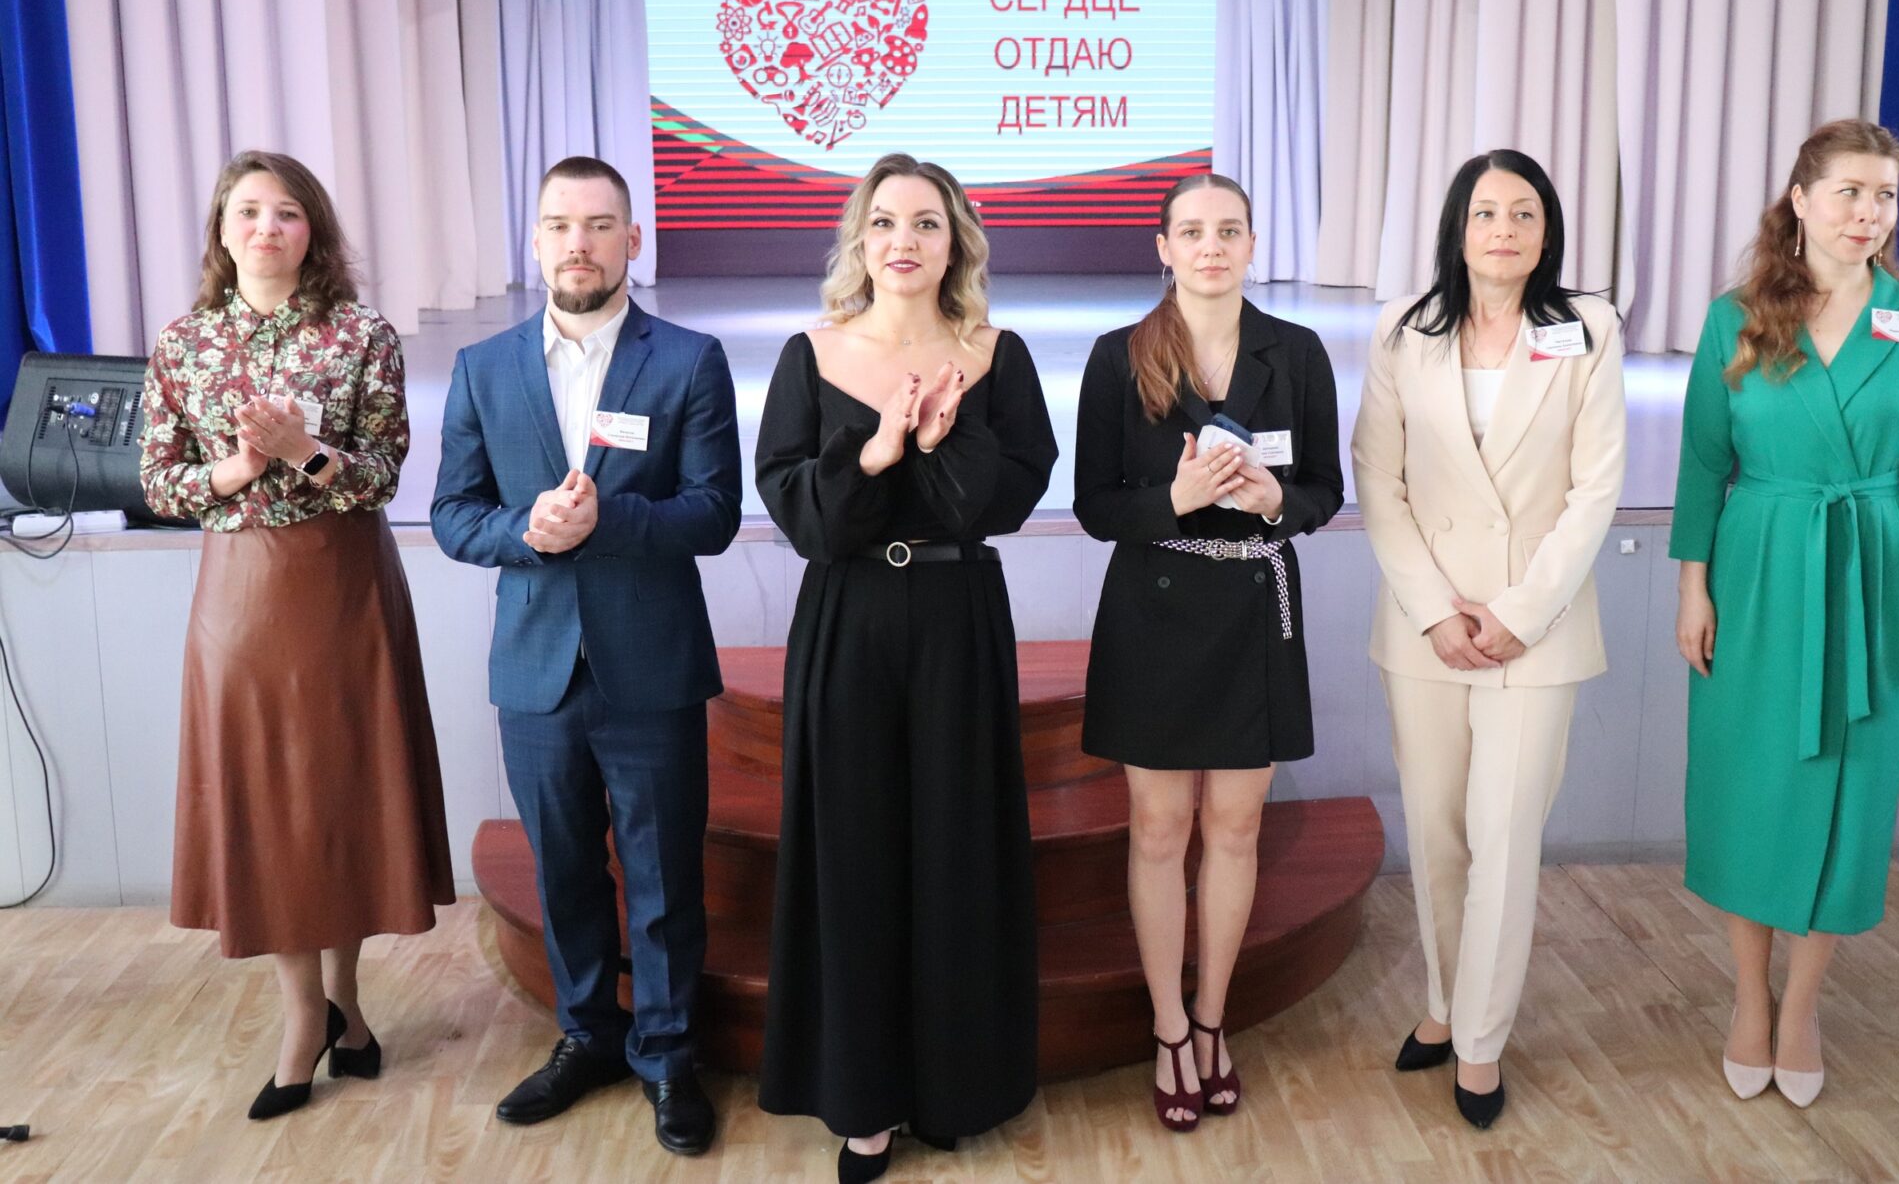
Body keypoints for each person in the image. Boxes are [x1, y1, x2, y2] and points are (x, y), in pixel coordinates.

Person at [430, 156, 741, 1155]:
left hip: (650, 662)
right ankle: (588, 1037)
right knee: (562, 871)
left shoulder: (688, 359)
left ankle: (668, 1055)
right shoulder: (483, 368)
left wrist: (610, 520)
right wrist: (527, 531)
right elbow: (453, 515)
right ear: (535, 241)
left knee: (663, 876)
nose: (579, 243)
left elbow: (713, 513)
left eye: (600, 225)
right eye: (560, 225)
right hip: (534, 668)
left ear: (631, 240)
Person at [755, 153, 1056, 1183]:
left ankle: (952, 1086)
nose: (903, 240)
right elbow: (799, 514)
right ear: (860, 239)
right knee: (855, 852)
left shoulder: (997, 355)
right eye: (884, 221)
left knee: (956, 846)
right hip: (848, 618)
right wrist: (877, 454)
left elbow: (1005, 501)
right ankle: (864, 1102)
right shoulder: (811, 352)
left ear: (955, 240)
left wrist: (940, 440)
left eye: (926, 222)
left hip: (957, 614)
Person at [1672, 119, 1899, 1108]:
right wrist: (1692, 588)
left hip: (1874, 574)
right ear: (1800, 199)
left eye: (1883, 195)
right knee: (1747, 784)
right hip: (1758, 569)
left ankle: (1801, 1006)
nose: (1867, 213)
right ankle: (1748, 997)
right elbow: (1702, 463)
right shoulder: (1735, 319)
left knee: (1853, 791)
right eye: (1848, 191)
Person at [140, 150, 455, 1120]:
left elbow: (384, 471)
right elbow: (158, 482)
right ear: (220, 230)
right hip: (238, 598)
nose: (265, 228)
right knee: (269, 807)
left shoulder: (361, 334)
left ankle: (345, 1003)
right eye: (247, 211)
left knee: (340, 798)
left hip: (344, 585)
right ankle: (302, 1017)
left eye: (285, 212)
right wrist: (238, 469)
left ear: (312, 229)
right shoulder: (185, 342)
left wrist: (303, 451)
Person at [1353, 149, 1625, 1130]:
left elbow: (1596, 486)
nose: (1502, 228)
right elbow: (1376, 477)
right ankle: (1441, 1000)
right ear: (1456, 231)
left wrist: (1516, 612)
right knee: (1436, 833)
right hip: (1424, 625)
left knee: (1504, 841)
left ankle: (1479, 1040)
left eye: (1522, 212)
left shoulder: (1587, 327)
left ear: (1546, 232)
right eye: (1483, 212)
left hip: (1533, 630)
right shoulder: (1403, 328)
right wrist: (1435, 608)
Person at [1075, 173, 1344, 1133]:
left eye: (1229, 230)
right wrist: (1176, 502)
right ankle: (1166, 1029)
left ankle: (1213, 1018)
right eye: (1191, 231)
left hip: (1256, 608)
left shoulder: (1297, 351)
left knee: (1235, 827)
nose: (1211, 247)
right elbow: (1094, 505)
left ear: (1252, 243)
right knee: (1159, 830)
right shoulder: (1118, 356)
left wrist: (1279, 505)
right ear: (1164, 248)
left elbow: (1324, 488)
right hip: (1153, 608)